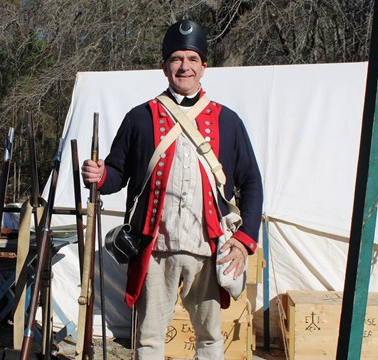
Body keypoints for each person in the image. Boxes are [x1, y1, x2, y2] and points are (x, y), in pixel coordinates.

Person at [81, 19, 263, 359]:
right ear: (164, 66)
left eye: (192, 59)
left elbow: (251, 182)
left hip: (210, 250)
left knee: (210, 339)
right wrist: (100, 174)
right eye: (177, 58)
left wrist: (243, 240)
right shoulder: (140, 117)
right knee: (148, 340)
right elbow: (117, 173)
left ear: (204, 67)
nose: (185, 66)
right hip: (155, 248)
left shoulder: (228, 121)